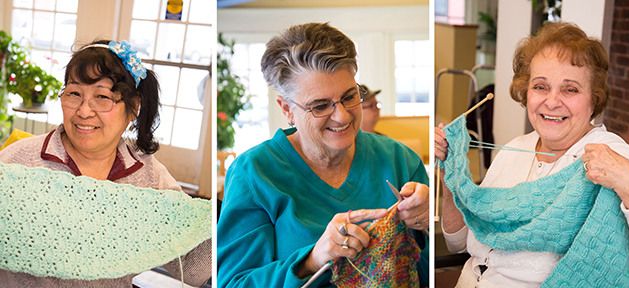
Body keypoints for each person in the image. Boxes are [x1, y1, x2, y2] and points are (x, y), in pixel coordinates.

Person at [435, 21, 629, 287]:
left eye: (570, 89)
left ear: (593, 98)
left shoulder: (610, 155)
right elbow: (457, 243)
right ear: (526, 92)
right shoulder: (514, 149)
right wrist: (448, 173)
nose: (552, 101)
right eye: (540, 86)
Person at [217, 22, 430, 287]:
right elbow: (233, 283)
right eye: (319, 106)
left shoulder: (400, 160)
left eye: (350, 96)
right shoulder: (254, 174)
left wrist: (426, 226)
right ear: (286, 109)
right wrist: (313, 260)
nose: (342, 116)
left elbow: (427, 272)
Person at [0, 40, 211, 287]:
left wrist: (221, 219)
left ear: (133, 108)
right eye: (74, 94)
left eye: (102, 97)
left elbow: (191, 268)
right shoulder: (18, 162)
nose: (84, 111)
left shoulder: (150, 178)